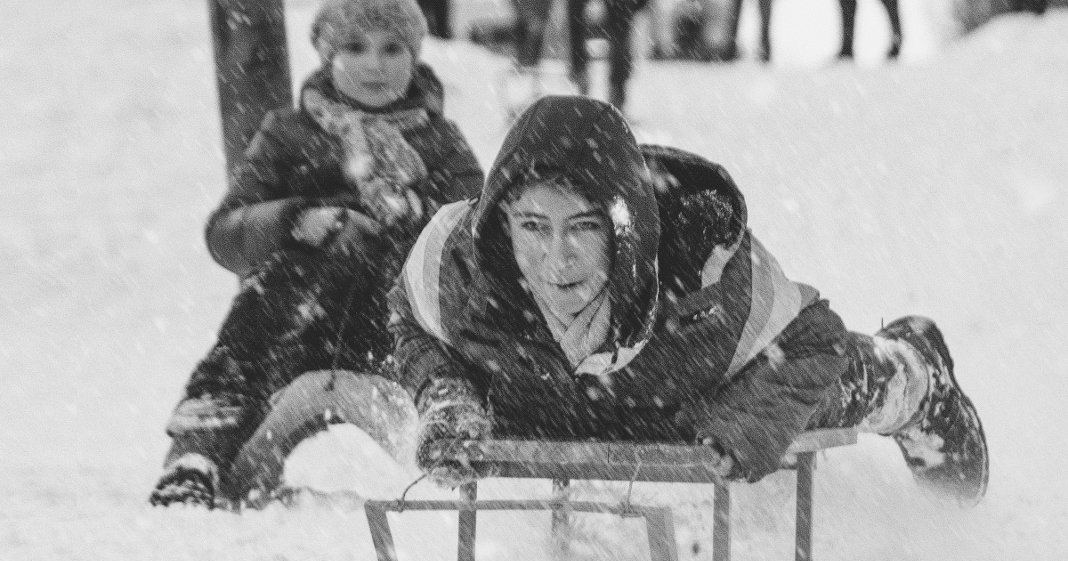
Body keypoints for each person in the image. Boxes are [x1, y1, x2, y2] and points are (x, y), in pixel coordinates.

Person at [388, 95, 989, 505]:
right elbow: (409, 318)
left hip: (702, 385)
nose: (557, 259)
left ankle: (915, 375)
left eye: (584, 227)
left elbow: (813, 338)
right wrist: (446, 397)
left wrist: (746, 423)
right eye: (533, 228)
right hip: (561, 396)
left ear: (621, 229)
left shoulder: (705, 276)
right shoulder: (458, 264)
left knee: (836, 383)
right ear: (502, 224)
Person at [150, 0, 484, 509]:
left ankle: (451, 448)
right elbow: (226, 232)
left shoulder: (439, 141)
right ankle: (200, 454)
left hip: (391, 325)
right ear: (329, 54)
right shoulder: (290, 131)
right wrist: (296, 218)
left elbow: (475, 238)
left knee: (438, 337)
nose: (375, 64)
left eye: (392, 49)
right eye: (355, 47)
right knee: (262, 315)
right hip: (298, 321)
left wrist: (415, 210)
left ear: (414, 56)